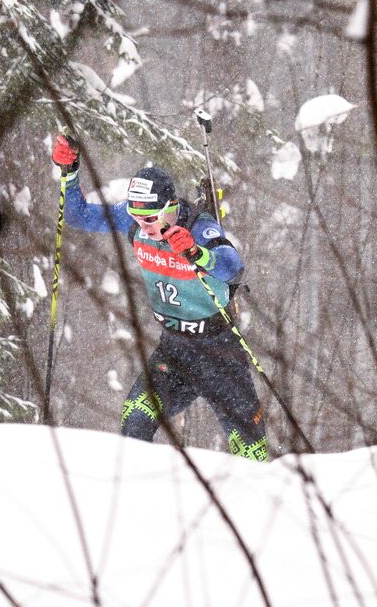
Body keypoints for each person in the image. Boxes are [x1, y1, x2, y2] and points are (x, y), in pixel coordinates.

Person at [51, 134, 269, 461]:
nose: (144, 226)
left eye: (150, 218)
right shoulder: (137, 220)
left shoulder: (199, 227)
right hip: (174, 350)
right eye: (137, 217)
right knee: (134, 421)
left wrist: (196, 253)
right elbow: (78, 215)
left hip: (218, 351)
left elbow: (232, 267)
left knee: (251, 452)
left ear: (171, 208)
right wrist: (69, 173)